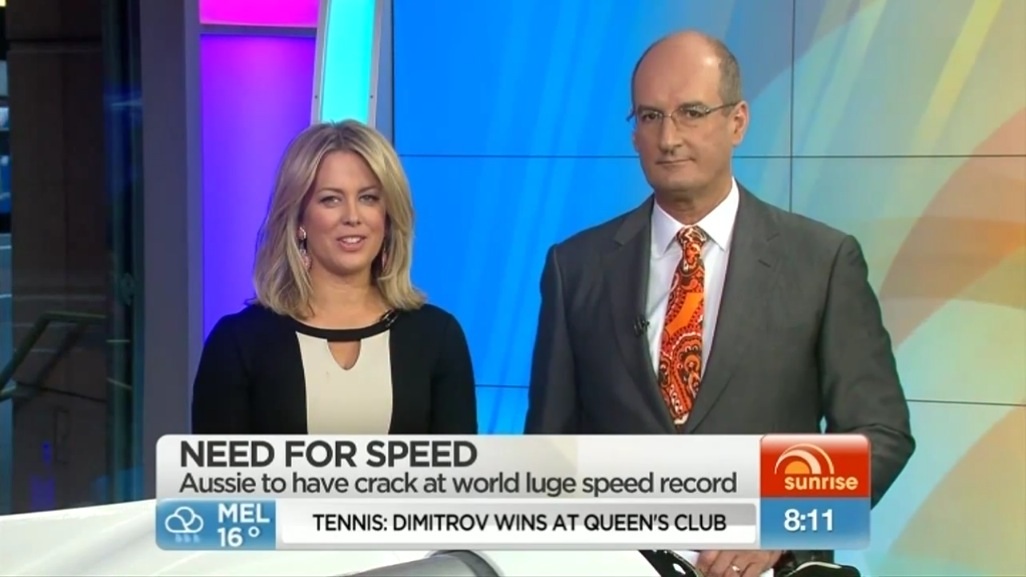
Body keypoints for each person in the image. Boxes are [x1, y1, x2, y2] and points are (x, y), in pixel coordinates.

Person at [524, 31, 914, 577]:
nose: (669, 138)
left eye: (691, 112)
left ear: (738, 121)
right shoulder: (576, 268)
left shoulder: (822, 262)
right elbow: (548, 450)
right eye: (650, 117)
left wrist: (781, 526)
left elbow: (881, 432)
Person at [192, 120, 477, 435]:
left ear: (388, 217)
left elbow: (459, 466)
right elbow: (218, 467)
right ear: (299, 219)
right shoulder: (239, 343)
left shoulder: (437, 337)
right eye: (331, 199)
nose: (352, 217)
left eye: (368, 198)